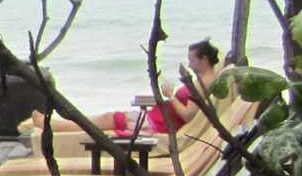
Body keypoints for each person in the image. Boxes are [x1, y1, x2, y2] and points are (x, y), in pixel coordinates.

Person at [30, 40, 223, 137]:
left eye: (192, 59)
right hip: (159, 117)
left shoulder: (204, 84)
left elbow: (188, 115)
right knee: (107, 117)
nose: (189, 63)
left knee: (107, 119)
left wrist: (170, 95)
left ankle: (53, 126)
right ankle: (56, 124)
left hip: (158, 124)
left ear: (204, 59)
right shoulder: (204, 80)